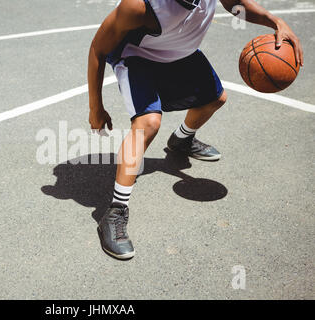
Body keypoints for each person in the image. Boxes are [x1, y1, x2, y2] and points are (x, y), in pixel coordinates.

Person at [87, 0, 303, 259]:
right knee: (148, 123)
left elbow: (235, 4)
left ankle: (181, 140)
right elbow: (98, 50)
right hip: (138, 57)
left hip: (179, 53)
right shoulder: (139, 7)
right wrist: (95, 108)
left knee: (216, 99)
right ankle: (115, 212)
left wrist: (276, 22)